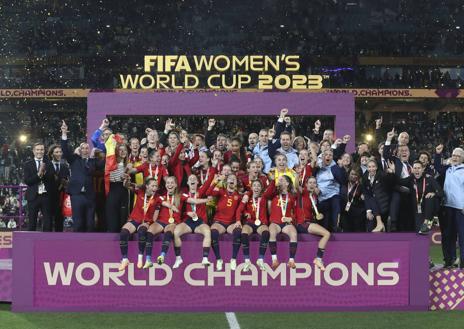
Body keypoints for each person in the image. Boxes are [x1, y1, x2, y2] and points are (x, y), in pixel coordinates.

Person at [61, 121, 104, 232]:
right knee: (78, 223)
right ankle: (78, 246)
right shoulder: (74, 160)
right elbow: (65, 151)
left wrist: (103, 144)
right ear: (79, 150)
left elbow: (106, 161)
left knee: (90, 224)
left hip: (90, 195)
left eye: (87, 148)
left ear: (89, 150)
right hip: (77, 195)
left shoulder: (93, 161)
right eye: (83, 148)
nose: (85, 149)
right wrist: (64, 134)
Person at [172, 168, 216, 268]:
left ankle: (205, 258)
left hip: (200, 222)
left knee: (208, 231)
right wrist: (187, 212)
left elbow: (209, 180)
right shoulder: (183, 194)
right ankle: (178, 258)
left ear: (197, 182)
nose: (192, 180)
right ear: (187, 182)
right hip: (187, 222)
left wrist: (213, 166)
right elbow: (182, 209)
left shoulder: (201, 191)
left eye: (194, 179)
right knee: (176, 232)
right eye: (190, 179)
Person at [118, 178, 160, 271]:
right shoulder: (140, 192)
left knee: (142, 231)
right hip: (135, 219)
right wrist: (127, 179)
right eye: (153, 186)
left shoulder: (157, 198)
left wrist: (151, 224)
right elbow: (127, 185)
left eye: (156, 186)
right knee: (124, 232)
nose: (155, 188)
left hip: (146, 221)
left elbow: (156, 216)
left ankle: (140, 258)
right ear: (147, 186)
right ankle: (125, 259)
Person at [434, 145, 464, 269]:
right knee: (447, 236)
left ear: (463, 158)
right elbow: (437, 167)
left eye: (458, 155)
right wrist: (438, 154)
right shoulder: (447, 169)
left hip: (460, 209)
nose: (455, 157)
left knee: (462, 237)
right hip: (447, 207)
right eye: (454, 155)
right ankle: (449, 260)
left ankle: (463, 263)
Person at [207, 174, 242, 271]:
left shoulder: (238, 195)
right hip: (219, 222)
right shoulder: (221, 192)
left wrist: (238, 220)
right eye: (230, 178)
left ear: (236, 183)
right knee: (213, 232)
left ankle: (233, 259)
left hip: (231, 222)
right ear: (226, 181)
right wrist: (216, 181)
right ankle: (218, 259)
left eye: (234, 179)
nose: (232, 180)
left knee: (238, 232)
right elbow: (208, 192)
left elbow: (239, 210)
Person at [263, 174, 298, 270]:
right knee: (272, 232)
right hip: (275, 222)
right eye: (279, 180)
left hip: (286, 223)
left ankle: (291, 260)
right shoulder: (274, 193)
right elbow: (266, 195)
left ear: (287, 183)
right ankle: (274, 259)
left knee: (294, 234)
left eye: (282, 180)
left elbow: (297, 212)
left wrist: (291, 218)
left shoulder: (292, 196)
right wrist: (274, 181)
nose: (280, 181)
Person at [296, 176, 330, 270]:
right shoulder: (302, 192)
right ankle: (318, 259)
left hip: (309, 222)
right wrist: (296, 175)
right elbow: (296, 186)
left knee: (326, 233)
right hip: (302, 223)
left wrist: (317, 215)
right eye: (310, 182)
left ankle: (318, 259)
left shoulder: (314, 196)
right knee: (327, 234)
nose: (312, 184)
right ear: (306, 184)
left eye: (314, 183)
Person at [236, 180, 270, 271]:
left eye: (258, 186)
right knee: (244, 233)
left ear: (262, 188)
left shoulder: (264, 197)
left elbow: (271, 189)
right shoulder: (247, 198)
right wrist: (240, 219)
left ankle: (260, 259)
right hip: (250, 222)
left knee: (266, 232)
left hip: (261, 223)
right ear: (251, 188)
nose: (256, 187)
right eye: (254, 186)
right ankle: (247, 260)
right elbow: (239, 210)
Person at [24, 142, 54, 231]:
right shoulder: (28, 164)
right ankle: (30, 243)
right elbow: (28, 181)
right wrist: (38, 175)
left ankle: (47, 243)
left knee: (48, 221)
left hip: (46, 196)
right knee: (32, 221)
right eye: (37, 150)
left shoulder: (49, 163)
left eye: (41, 150)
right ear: (33, 151)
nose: (39, 151)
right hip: (33, 196)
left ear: (44, 151)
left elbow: (52, 179)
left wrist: (44, 173)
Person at [47, 144, 70, 232]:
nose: (59, 154)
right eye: (56, 152)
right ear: (51, 154)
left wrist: (66, 183)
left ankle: (58, 239)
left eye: (60, 152)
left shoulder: (65, 166)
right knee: (48, 221)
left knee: (59, 220)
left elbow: (67, 181)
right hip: (48, 197)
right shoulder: (47, 165)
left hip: (61, 197)